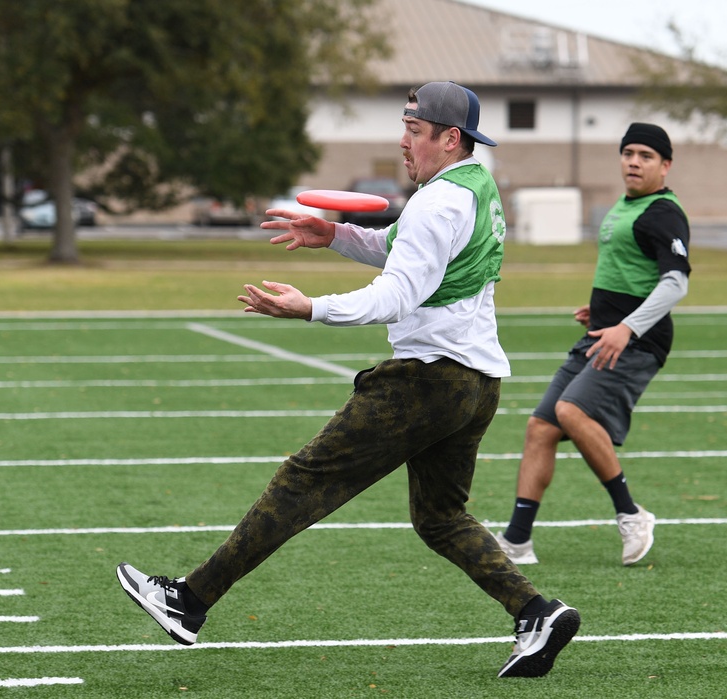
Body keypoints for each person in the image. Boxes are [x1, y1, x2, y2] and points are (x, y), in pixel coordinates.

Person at [116, 81, 579, 678]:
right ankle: (537, 612)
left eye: (415, 131)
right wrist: (333, 234)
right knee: (440, 517)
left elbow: (397, 292)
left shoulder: (436, 203)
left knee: (303, 480)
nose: (404, 141)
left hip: (426, 380)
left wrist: (311, 307)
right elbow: (399, 247)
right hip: (476, 382)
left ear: (450, 138)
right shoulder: (472, 185)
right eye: (405, 127)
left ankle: (189, 600)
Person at [495, 123, 691, 567]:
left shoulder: (662, 212)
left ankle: (631, 513)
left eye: (645, 155)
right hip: (604, 331)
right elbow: (633, 270)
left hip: (636, 342)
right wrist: (601, 309)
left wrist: (627, 327)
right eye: (628, 153)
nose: (634, 162)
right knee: (540, 428)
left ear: (666, 165)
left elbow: (675, 282)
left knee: (570, 411)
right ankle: (517, 541)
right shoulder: (626, 206)